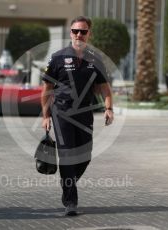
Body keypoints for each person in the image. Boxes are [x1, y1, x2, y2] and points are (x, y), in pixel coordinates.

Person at [41, 16, 114, 216]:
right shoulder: (57, 58)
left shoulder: (95, 59)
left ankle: (68, 181)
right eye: (75, 31)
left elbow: (105, 88)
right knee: (66, 155)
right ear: (70, 33)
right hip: (62, 113)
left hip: (84, 113)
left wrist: (109, 108)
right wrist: (46, 116)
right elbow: (47, 88)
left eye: (83, 31)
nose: (78, 35)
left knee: (85, 155)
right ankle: (70, 200)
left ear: (89, 34)